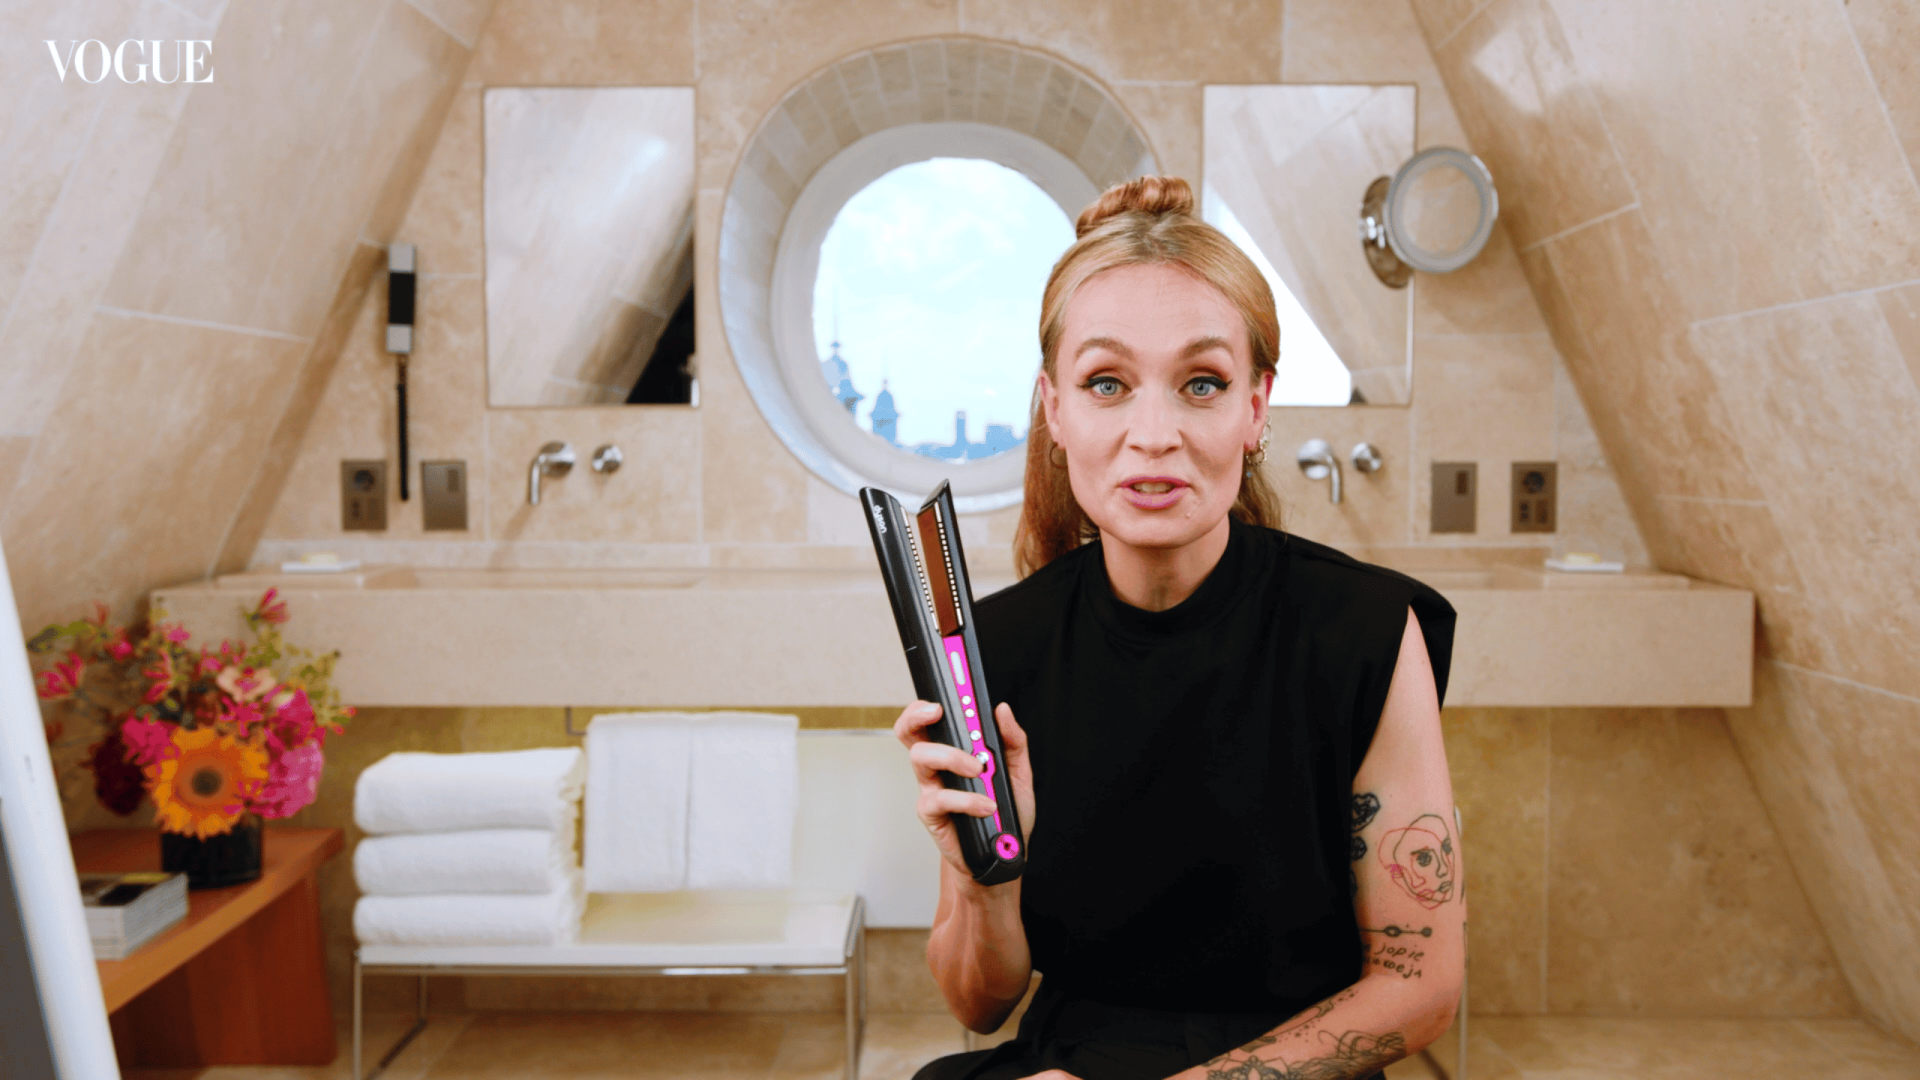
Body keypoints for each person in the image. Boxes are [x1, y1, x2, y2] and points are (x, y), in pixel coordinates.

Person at [894, 176, 1464, 1080]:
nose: (1153, 433)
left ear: (1256, 408)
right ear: (1054, 409)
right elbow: (979, 1004)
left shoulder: (1364, 633)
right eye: (1107, 384)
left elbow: (1420, 984)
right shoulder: (994, 651)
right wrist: (983, 880)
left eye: (1202, 383)